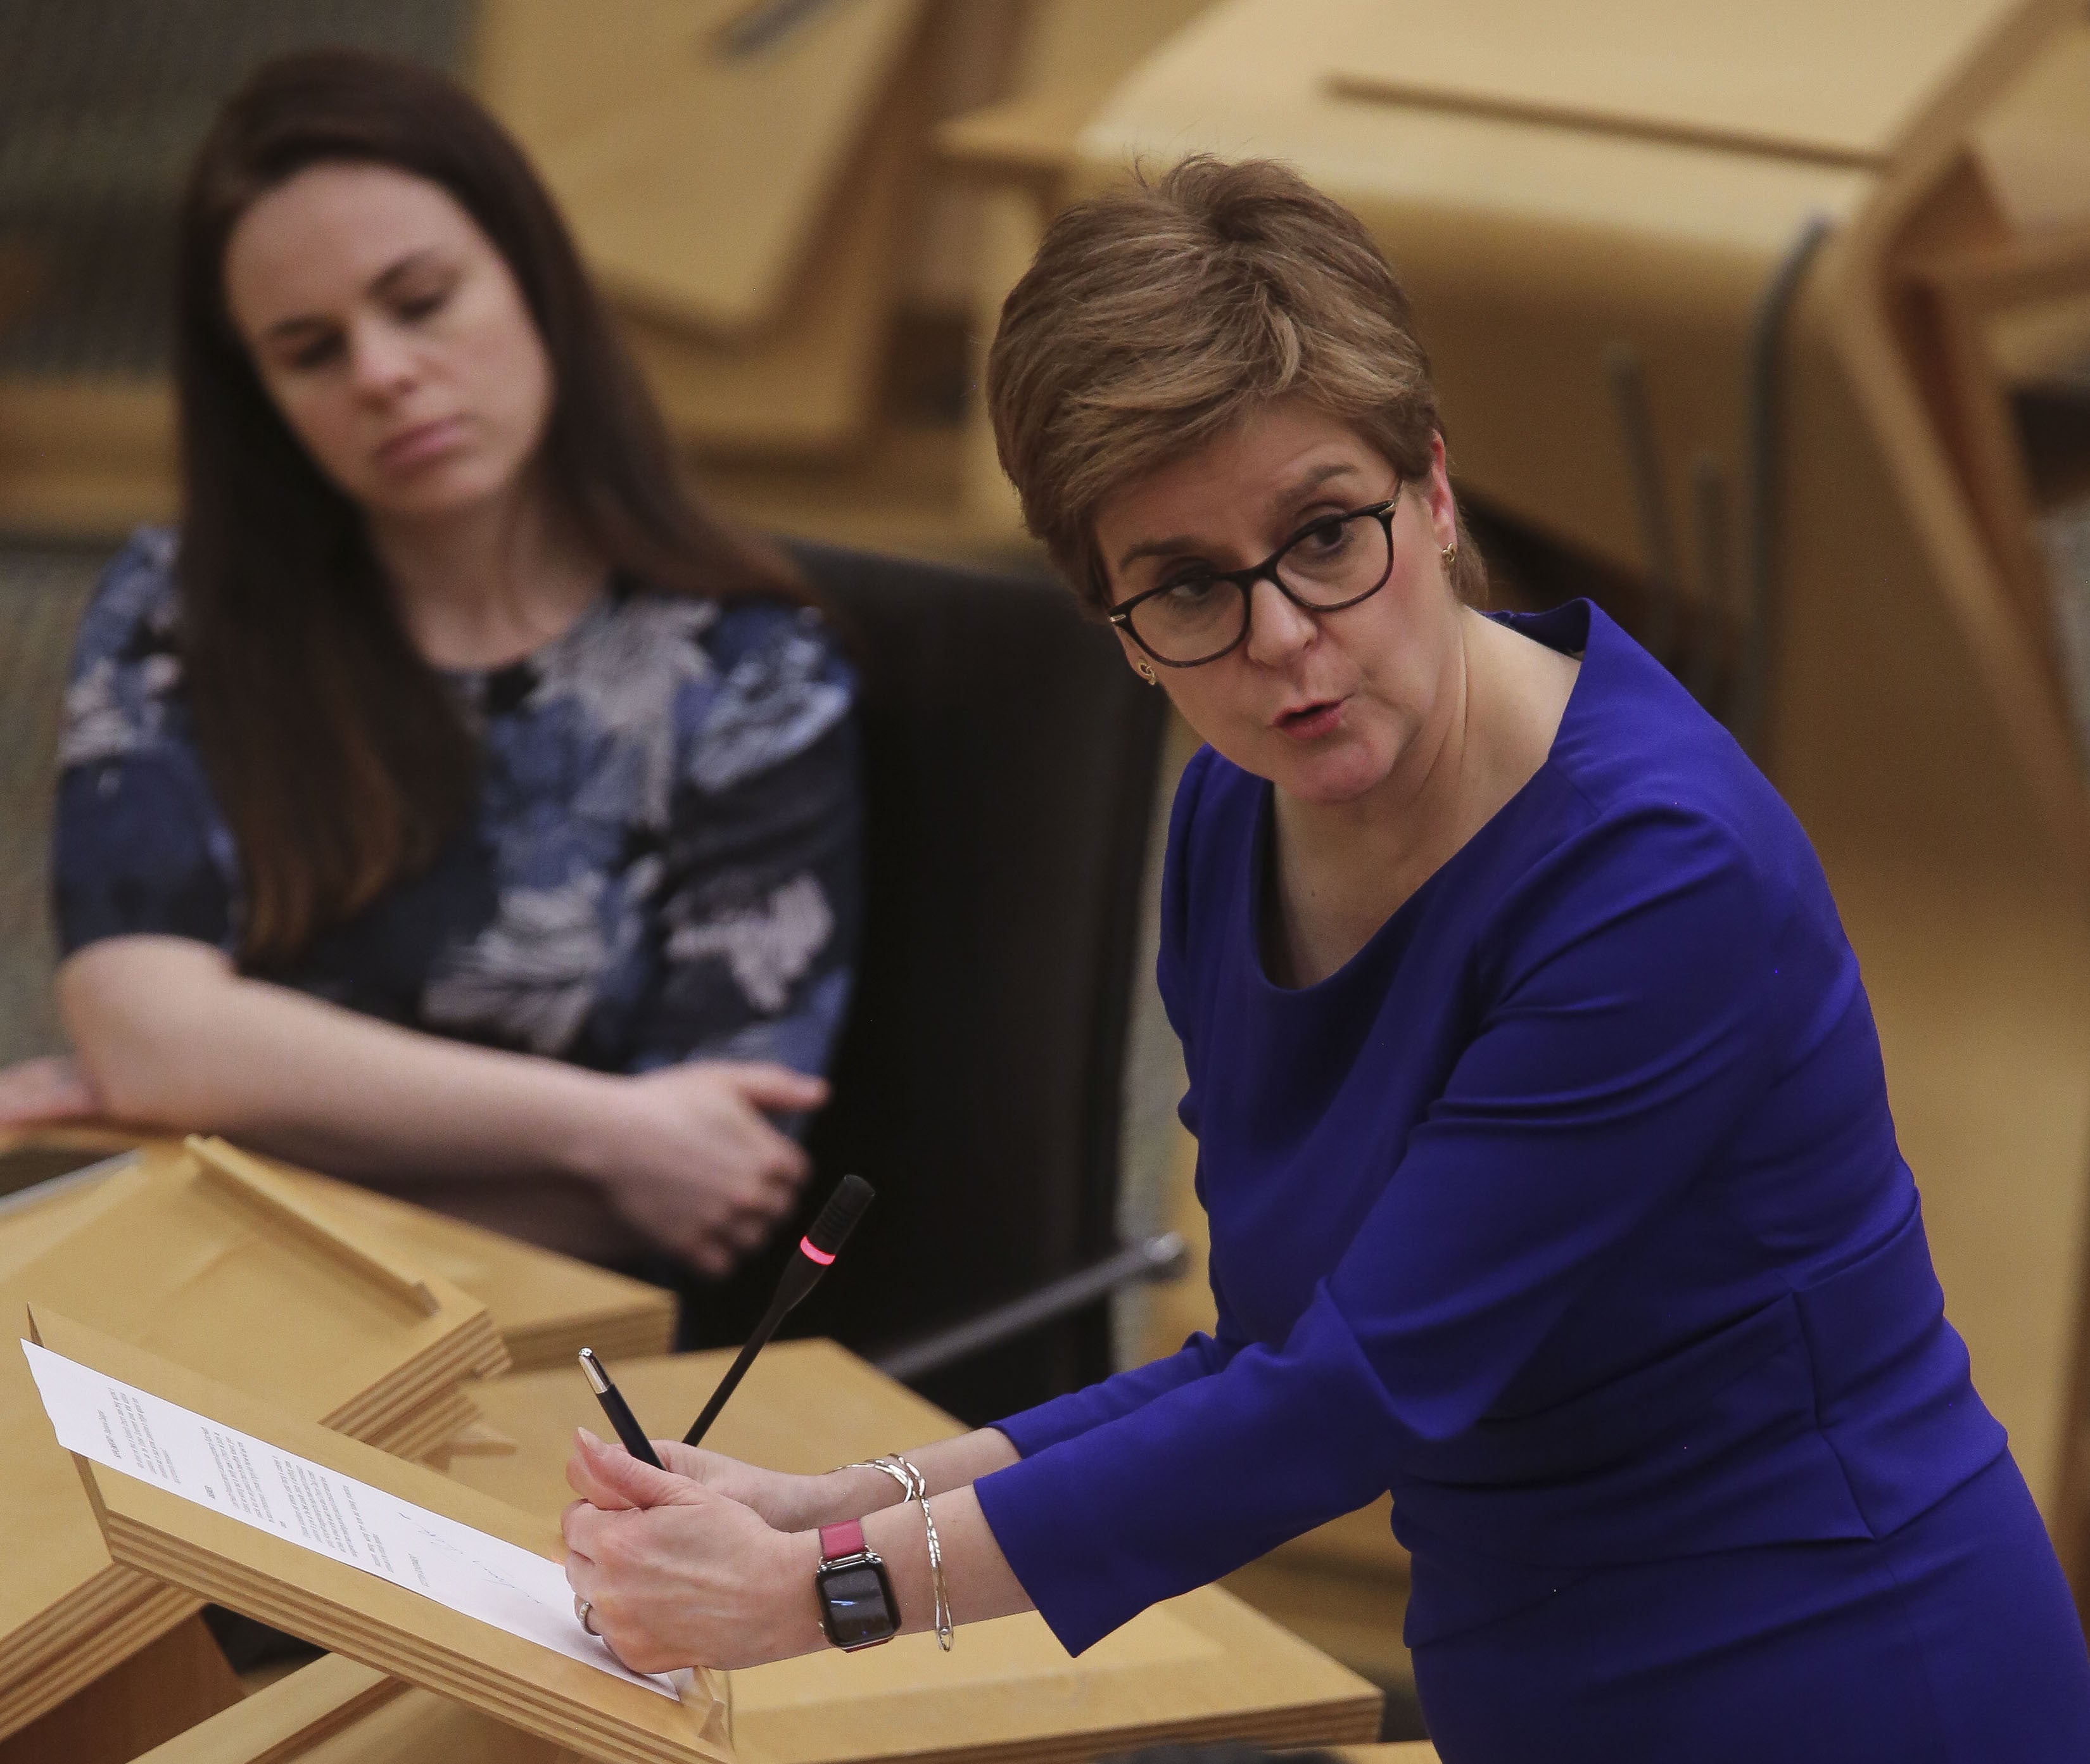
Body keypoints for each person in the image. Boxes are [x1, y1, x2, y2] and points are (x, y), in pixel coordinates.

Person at [556, 160, 2090, 1759]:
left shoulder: (1658, 875)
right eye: (1189, 588)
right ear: (1117, 625)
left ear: (1432, 491)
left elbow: (1344, 1401)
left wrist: (819, 1596)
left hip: (1842, 1681)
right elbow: (1266, 1351)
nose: (1284, 637)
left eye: (1325, 534)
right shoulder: (1238, 813)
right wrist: (827, 1508)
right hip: (1529, 1681)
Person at [0, 49, 859, 1282]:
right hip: (202, 1311)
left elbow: (713, 1182)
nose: (383, 376)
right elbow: (145, 1028)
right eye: (309, 351)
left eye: (420, 301)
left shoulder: (753, 672)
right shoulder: (178, 611)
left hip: (554, 1353)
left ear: (533, 277)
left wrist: (214, 1103)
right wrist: (597, 1126)